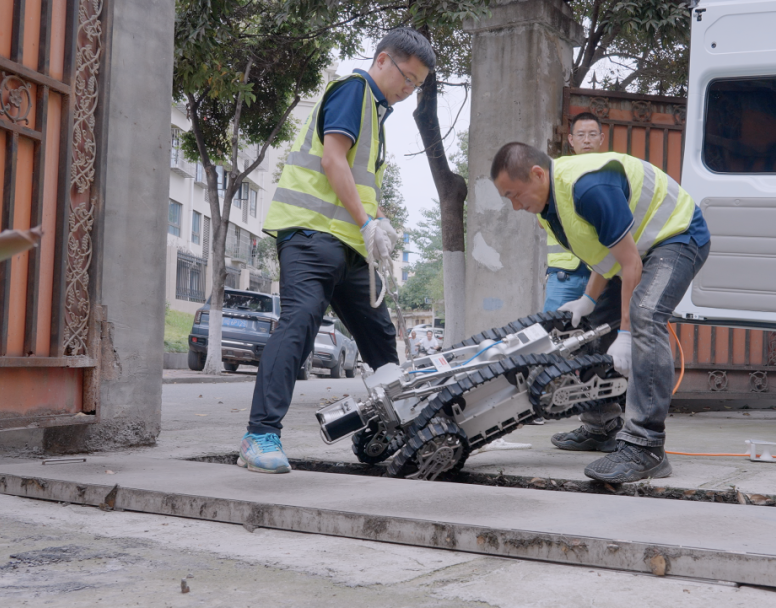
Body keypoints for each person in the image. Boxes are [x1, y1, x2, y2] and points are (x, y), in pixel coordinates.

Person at [238, 29, 436, 474]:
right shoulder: (354, 90)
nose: (408, 91)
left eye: (417, 85)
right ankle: (260, 435)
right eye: (407, 78)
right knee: (300, 323)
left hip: (348, 245)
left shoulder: (376, 113)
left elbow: (357, 180)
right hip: (310, 236)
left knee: (380, 335)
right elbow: (332, 160)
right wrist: (367, 223)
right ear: (383, 60)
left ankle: (406, 429)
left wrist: (377, 219)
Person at [490, 143, 710, 483]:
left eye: (515, 195)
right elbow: (605, 255)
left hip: (677, 236)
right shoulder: (549, 209)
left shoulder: (588, 186)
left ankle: (646, 447)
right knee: (588, 325)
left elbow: (630, 263)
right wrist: (588, 302)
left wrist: (625, 333)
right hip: (637, 250)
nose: (516, 206)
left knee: (645, 314)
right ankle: (602, 426)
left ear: (537, 174)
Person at [542, 112, 607, 313]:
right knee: (553, 335)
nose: (586, 140)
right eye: (580, 135)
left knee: (599, 338)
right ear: (571, 139)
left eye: (592, 134)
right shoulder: (556, 172)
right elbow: (541, 218)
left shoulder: (612, 171)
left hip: (601, 274)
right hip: (563, 276)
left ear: (601, 138)